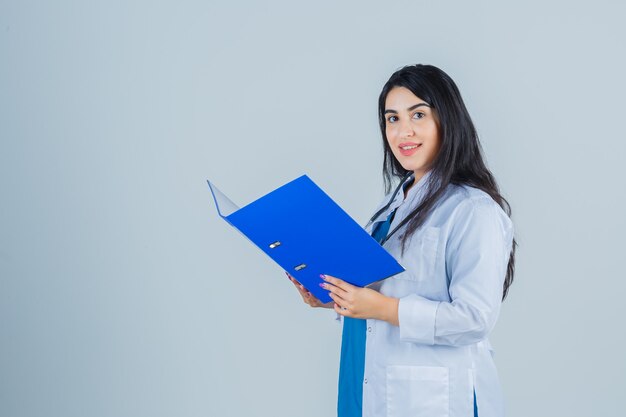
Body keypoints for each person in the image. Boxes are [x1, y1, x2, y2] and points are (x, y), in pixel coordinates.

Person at [288, 64, 516, 417]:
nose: (403, 131)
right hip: (364, 372)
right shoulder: (393, 203)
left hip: (433, 396)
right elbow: (386, 287)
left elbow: (474, 318)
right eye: (391, 119)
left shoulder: (473, 210)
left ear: (448, 121)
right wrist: (332, 296)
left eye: (418, 114)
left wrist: (382, 309)